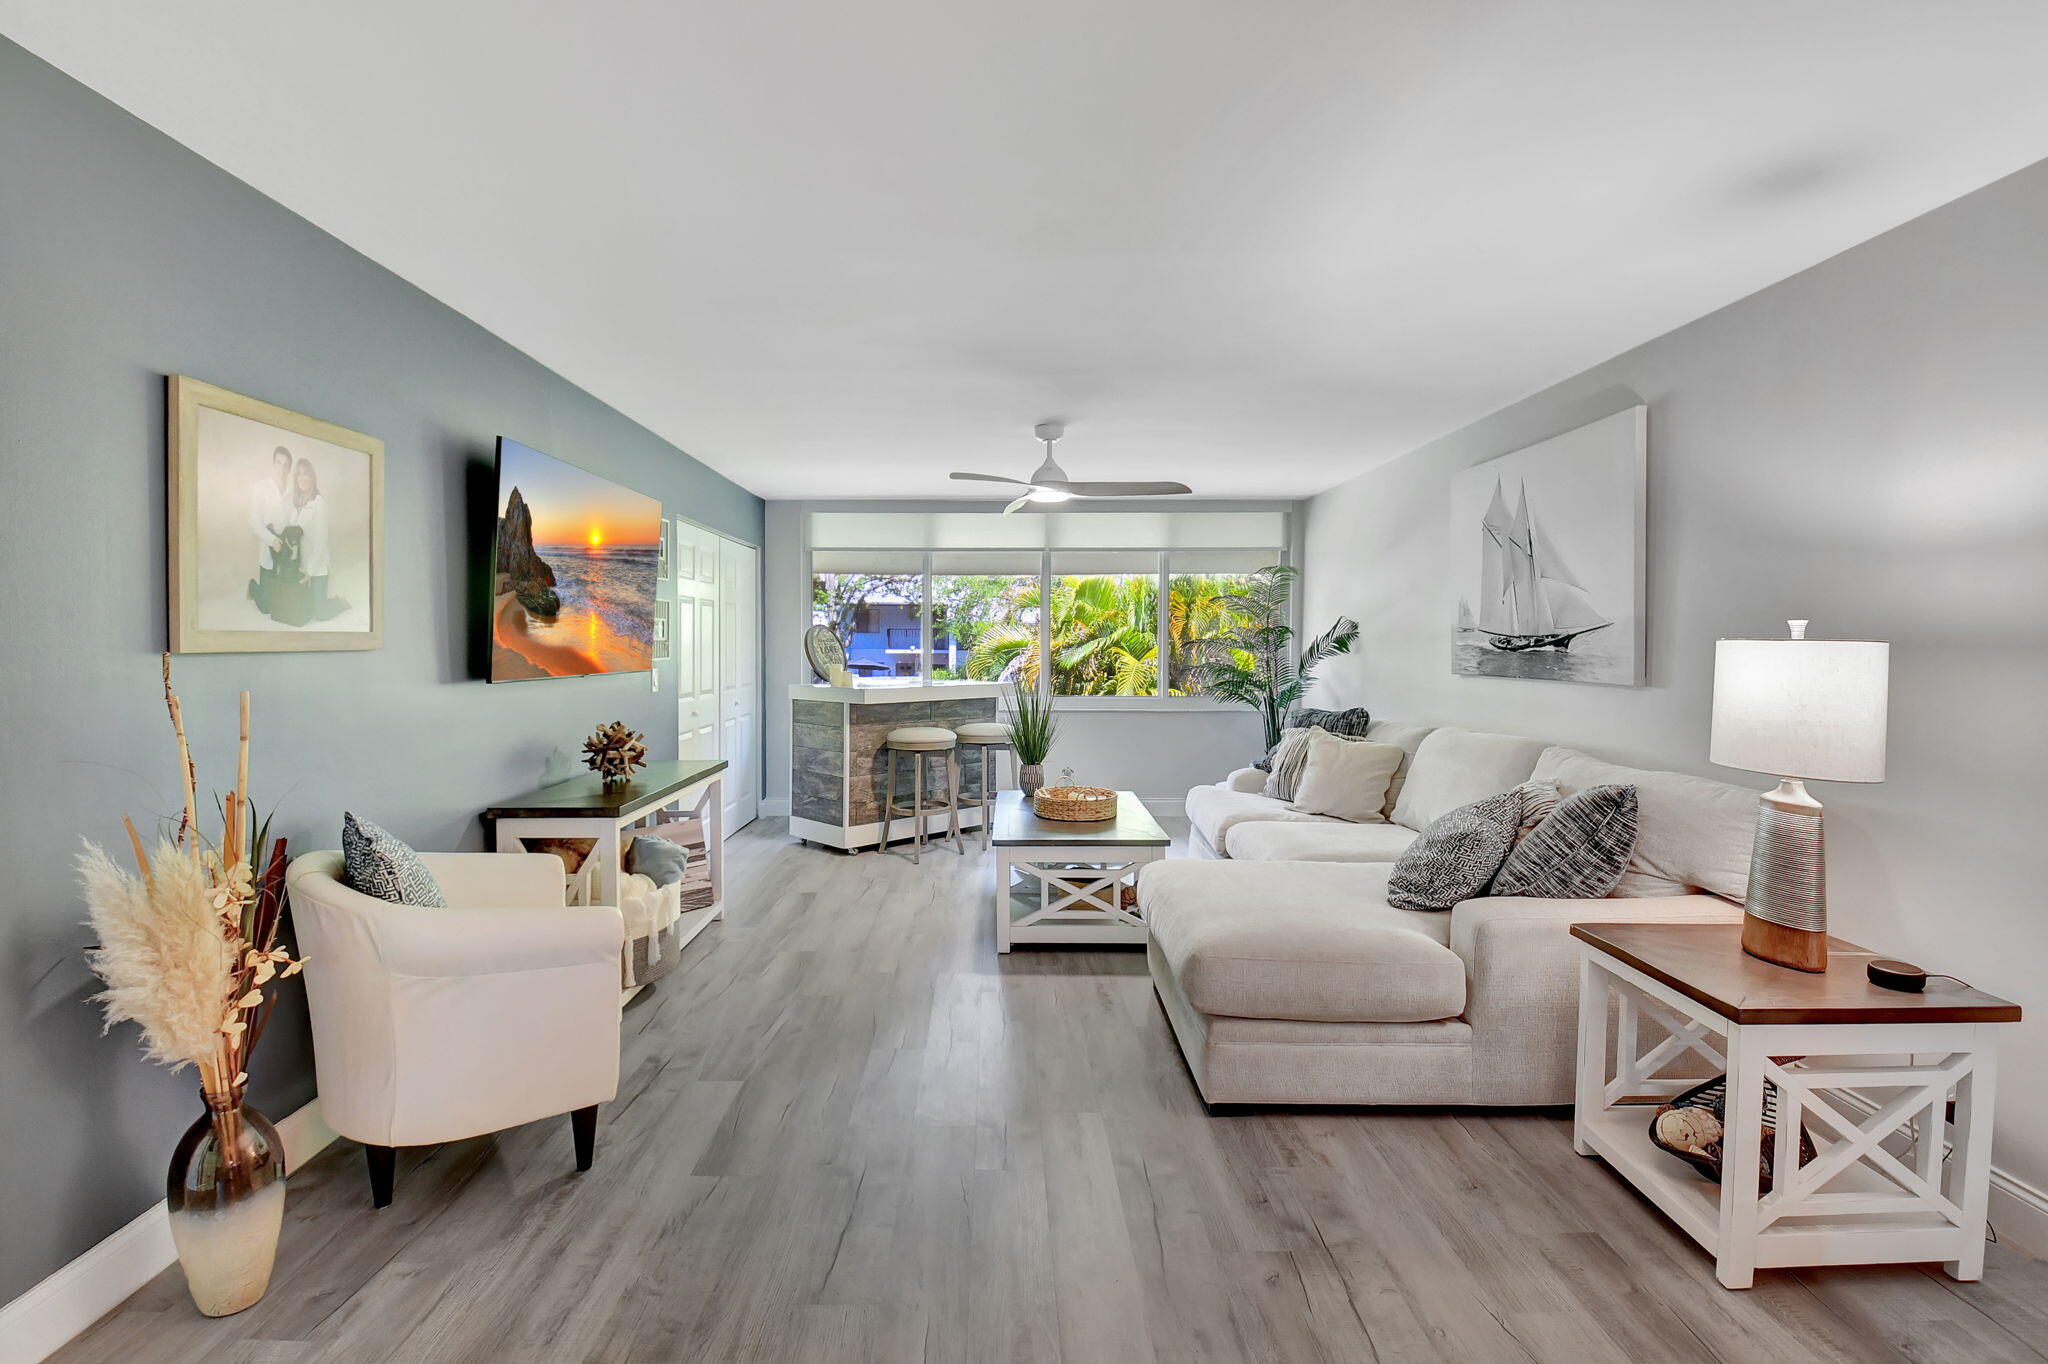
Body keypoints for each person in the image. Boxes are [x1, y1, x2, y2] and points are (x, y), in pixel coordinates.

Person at [288, 456, 347, 621]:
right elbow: (292, 533)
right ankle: (322, 599)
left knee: (320, 614)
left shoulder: (320, 503)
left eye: (305, 474)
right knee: (304, 611)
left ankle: (340, 603)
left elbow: (321, 541)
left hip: (317, 567)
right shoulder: (296, 504)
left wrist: (310, 570)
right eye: (299, 474)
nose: (302, 478)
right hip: (300, 567)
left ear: (312, 477)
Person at [246, 446, 293, 613]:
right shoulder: (261, 487)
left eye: (286, 465)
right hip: (268, 548)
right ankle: (253, 587)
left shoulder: (291, 493)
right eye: (279, 463)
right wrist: (272, 540)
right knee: (266, 608)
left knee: (282, 603)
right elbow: (255, 521)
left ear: (289, 469)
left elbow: (292, 522)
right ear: (274, 464)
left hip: (284, 552)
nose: (282, 468)